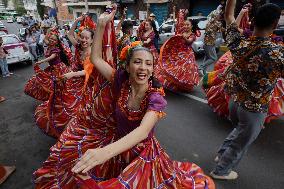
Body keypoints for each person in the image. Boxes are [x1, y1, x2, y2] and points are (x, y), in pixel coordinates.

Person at [70, 7, 215, 189]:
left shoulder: (156, 97)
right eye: (137, 62)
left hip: (141, 154)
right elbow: (97, 59)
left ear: (153, 69)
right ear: (128, 66)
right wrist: (100, 25)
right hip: (116, 147)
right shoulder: (120, 81)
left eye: (148, 64)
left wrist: (103, 153)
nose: (143, 68)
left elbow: (142, 132)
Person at [210, 1, 283, 180]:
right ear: (274, 25)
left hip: (234, 102)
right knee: (242, 142)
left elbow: (228, 16)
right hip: (255, 109)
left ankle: (221, 154)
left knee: (238, 130)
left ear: (252, 21)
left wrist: (232, 2)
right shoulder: (278, 54)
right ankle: (221, 170)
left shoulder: (239, 43)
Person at [24, 27, 71, 101]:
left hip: (59, 68)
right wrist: (50, 30)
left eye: (54, 40)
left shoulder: (56, 49)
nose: (52, 40)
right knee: (40, 80)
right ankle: (55, 98)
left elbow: (52, 57)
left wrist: (41, 61)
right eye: (51, 39)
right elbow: (45, 38)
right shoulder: (49, 45)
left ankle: (61, 99)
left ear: (57, 42)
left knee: (58, 84)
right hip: (52, 68)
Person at [157, 9, 199, 92]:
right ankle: (174, 83)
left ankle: (184, 84)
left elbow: (189, 42)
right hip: (178, 53)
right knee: (173, 68)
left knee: (186, 70)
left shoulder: (192, 35)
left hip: (187, 55)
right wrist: (179, 15)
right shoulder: (182, 31)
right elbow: (178, 24)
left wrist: (183, 37)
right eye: (185, 25)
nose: (186, 26)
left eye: (188, 25)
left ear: (191, 26)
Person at [199, 11, 224, 75]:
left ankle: (203, 71)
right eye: (218, 15)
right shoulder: (217, 23)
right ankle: (201, 67)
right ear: (215, 16)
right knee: (214, 58)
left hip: (206, 44)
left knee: (207, 57)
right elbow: (222, 30)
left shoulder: (209, 22)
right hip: (210, 44)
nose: (219, 16)